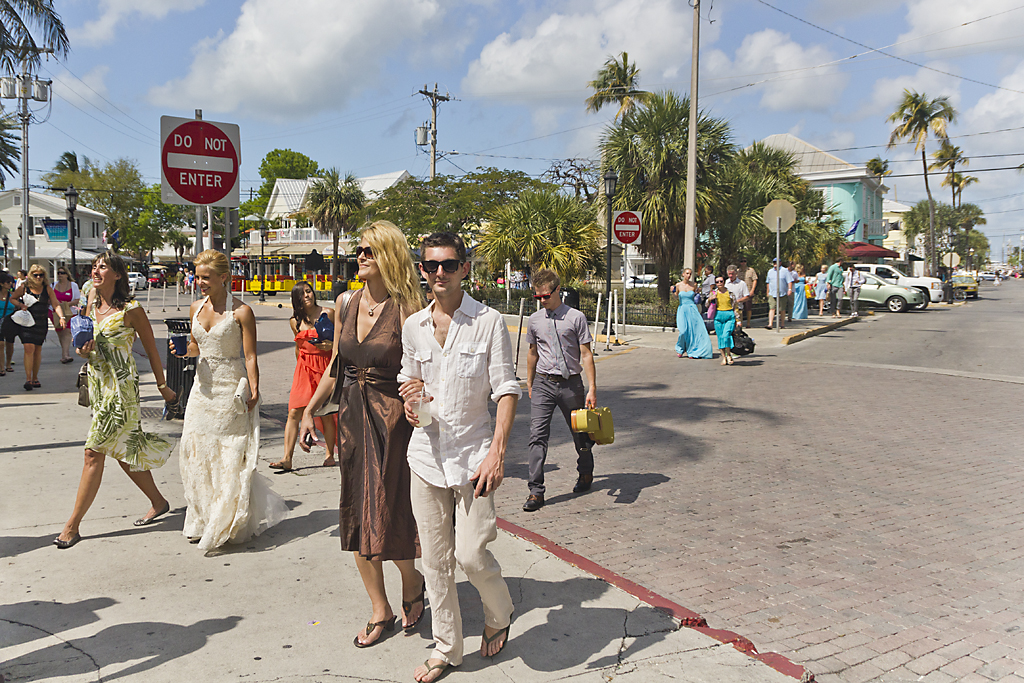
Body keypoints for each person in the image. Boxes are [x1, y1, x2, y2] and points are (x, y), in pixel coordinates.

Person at [298, 221, 426, 647]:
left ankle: (412, 582)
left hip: (393, 421)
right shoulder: (345, 301)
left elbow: (424, 368)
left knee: (391, 510)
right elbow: (336, 366)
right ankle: (379, 608)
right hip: (353, 417)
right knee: (354, 510)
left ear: (388, 254)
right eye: (360, 250)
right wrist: (309, 412)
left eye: (370, 250)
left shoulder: (408, 306)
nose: (361, 256)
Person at [398, 232, 520, 682]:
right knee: (435, 561)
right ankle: (448, 648)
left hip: (474, 458)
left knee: (471, 555)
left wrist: (497, 453)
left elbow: (507, 389)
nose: (439, 274)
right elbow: (408, 380)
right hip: (426, 457)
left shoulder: (488, 321)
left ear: (465, 268)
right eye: (430, 266)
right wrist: (411, 403)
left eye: (448, 265)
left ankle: (500, 610)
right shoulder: (414, 326)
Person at [53, 251, 177, 549]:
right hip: (99, 387)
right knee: (123, 451)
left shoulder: (131, 310)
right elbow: (85, 346)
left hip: (121, 390)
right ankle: (158, 502)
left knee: (93, 453)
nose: (96, 270)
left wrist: (163, 387)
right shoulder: (90, 306)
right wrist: (83, 351)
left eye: (103, 266)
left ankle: (72, 526)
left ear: (118, 275)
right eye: (94, 266)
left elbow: (152, 348)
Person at [174, 249, 287, 552]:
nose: (200, 282)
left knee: (229, 455)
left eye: (206, 277)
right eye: (197, 277)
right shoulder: (196, 307)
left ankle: (226, 521)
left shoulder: (242, 312)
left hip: (230, 390)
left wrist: (254, 388)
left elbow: (250, 355)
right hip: (203, 390)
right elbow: (198, 346)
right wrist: (186, 352)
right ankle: (203, 517)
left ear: (224, 277)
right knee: (196, 452)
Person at [523, 268, 597, 512]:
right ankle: (536, 491)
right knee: (537, 437)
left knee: (580, 434)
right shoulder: (534, 321)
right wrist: (530, 382)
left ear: (557, 291)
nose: (542, 301)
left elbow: (586, 354)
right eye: (538, 297)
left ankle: (585, 473)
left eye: (546, 296)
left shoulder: (575, 318)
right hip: (543, 383)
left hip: (571, 384)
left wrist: (592, 388)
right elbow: (532, 352)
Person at [270, 281, 337, 471]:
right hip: (304, 368)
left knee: (325, 412)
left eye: (309, 291)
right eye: (303, 293)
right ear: (297, 299)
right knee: (293, 412)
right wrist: (298, 367)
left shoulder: (328, 313)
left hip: (325, 366)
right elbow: (298, 347)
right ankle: (287, 458)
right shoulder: (295, 321)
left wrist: (332, 347)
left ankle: (330, 454)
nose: (307, 295)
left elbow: (342, 339)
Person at [8, 264, 66, 390]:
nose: (38, 277)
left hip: (41, 323)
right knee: (29, 348)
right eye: (35, 275)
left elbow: (56, 304)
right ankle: (28, 379)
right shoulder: (24, 287)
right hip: (26, 322)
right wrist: (20, 305)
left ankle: (35, 377)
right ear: (30, 275)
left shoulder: (47, 289)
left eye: (41, 275)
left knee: (37, 350)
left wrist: (62, 317)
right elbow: (12, 298)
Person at [670, 268, 713, 360]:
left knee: (695, 331)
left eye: (690, 274)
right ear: (683, 274)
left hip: (692, 309)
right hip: (682, 309)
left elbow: (695, 297)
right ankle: (680, 348)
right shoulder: (678, 285)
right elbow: (676, 297)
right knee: (683, 330)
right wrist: (672, 292)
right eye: (687, 273)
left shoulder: (694, 285)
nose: (689, 275)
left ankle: (693, 350)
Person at [52, 267, 81, 364]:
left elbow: (77, 299)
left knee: (67, 332)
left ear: (67, 274)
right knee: (60, 332)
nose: (60, 275)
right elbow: (50, 298)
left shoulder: (73, 285)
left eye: (62, 273)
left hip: (69, 311)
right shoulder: (54, 285)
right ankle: (64, 352)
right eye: (58, 273)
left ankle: (65, 354)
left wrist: (66, 304)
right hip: (55, 312)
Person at [712, 276, 737, 366]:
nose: (719, 283)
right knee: (720, 337)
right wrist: (710, 299)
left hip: (729, 314)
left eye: (721, 281)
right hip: (718, 316)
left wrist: (738, 320)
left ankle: (729, 354)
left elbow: (735, 306)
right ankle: (723, 357)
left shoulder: (730, 293)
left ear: (724, 282)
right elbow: (707, 304)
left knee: (726, 334)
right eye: (717, 282)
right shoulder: (714, 293)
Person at [764, 259, 792, 330]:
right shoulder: (770, 271)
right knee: (772, 308)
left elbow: (789, 281)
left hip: (782, 293)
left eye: (776, 262)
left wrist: (789, 289)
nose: (775, 264)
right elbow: (768, 282)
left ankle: (782, 324)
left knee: (782, 309)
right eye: (774, 262)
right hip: (772, 292)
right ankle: (770, 324)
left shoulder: (785, 271)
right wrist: (768, 291)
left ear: (780, 262)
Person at [0, 272, 17, 376]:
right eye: (7, 282)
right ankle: (1, 367)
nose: (9, 284)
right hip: (0, 322)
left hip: (10, 322)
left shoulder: (12, 296)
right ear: (1, 283)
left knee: (10, 344)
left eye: (11, 282)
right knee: (1, 344)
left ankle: (8, 363)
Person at [737, 258, 758, 326]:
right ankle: (740, 323)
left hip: (748, 292)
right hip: (740, 293)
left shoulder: (751, 270)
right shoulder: (737, 271)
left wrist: (752, 290)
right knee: (739, 309)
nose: (743, 263)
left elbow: (754, 280)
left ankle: (748, 323)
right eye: (741, 261)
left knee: (748, 308)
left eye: (744, 261)